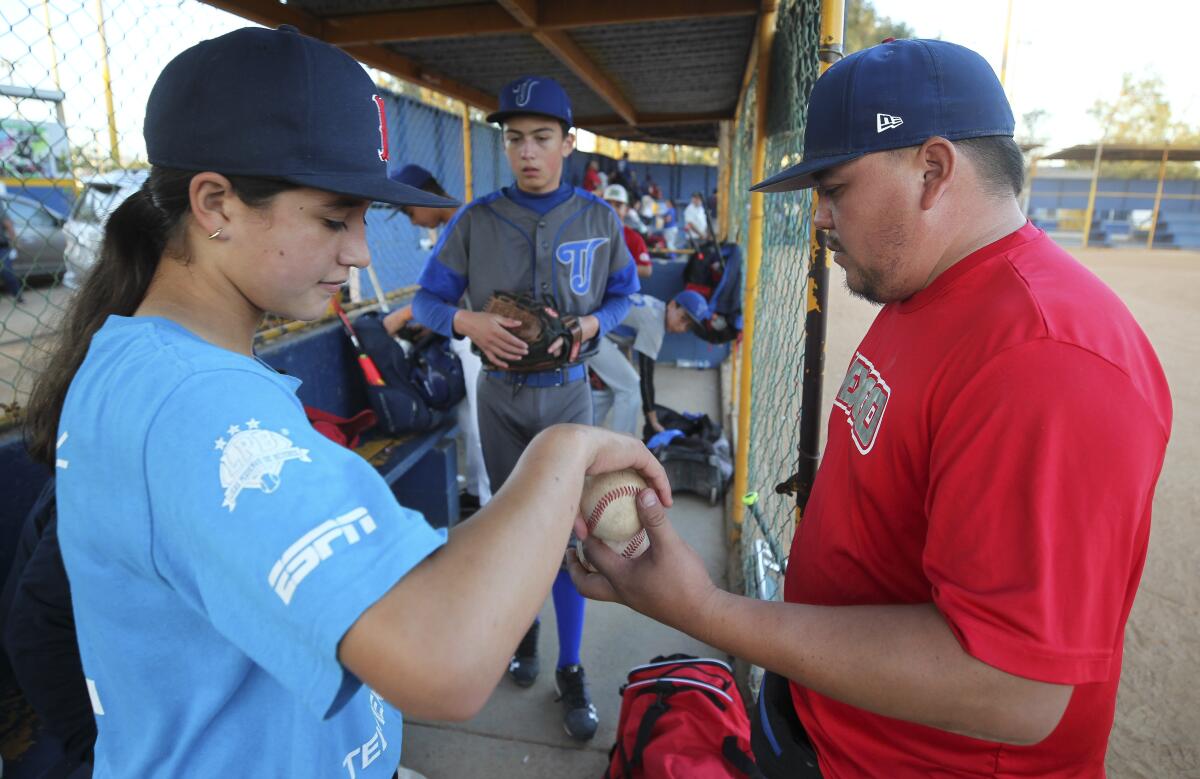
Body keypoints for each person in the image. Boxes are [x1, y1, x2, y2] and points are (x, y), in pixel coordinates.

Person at [21, 26, 668, 777]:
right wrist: (566, 451)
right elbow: (444, 657)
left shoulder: (160, 359)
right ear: (214, 203)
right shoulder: (191, 400)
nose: (361, 250)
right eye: (335, 218)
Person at [567, 38, 1171, 779]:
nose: (819, 216)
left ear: (933, 169)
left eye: (835, 187)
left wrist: (705, 610)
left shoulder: (1046, 358)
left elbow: (1016, 687)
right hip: (838, 723)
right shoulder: (928, 282)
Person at [411, 74, 639, 741]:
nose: (528, 152)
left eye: (542, 137)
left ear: (568, 142)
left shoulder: (598, 218)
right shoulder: (476, 219)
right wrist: (467, 323)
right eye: (515, 139)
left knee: (570, 533)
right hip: (501, 401)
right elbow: (428, 300)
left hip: (568, 395)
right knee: (513, 529)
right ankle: (524, 632)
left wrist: (595, 326)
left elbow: (624, 296)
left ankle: (571, 664)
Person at [383, 164, 491, 510]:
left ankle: (491, 506)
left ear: (425, 196)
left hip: (479, 338)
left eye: (410, 210)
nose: (412, 221)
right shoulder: (457, 223)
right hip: (463, 335)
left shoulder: (463, 222)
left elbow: (438, 295)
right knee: (467, 421)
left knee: (483, 425)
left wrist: (401, 316)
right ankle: (476, 493)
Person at [589, 290, 707, 436]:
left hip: (595, 329)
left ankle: (582, 430)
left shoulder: (656, 307)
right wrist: (652, 419)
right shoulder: (655, 323)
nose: (682, 328)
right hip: (592, 332)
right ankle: (622, 447)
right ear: (672, 305)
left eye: (688, 326)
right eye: (683, 318)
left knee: (610, 389)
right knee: (630, 387)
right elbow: (646, 376)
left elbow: (623, 334)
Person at [602, 184, 652, 278]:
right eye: (607, 204)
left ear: (626, 209)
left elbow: (647, 270)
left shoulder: (633, 238)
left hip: (619, 291)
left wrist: (617, 269)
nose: (612, 209)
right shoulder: (591, 233)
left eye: (618, 205)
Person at [0, 199, 22, 303]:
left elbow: (8, 224)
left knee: (6, 271)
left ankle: (17, 295)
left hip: (2, 246)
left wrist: (15, 242)